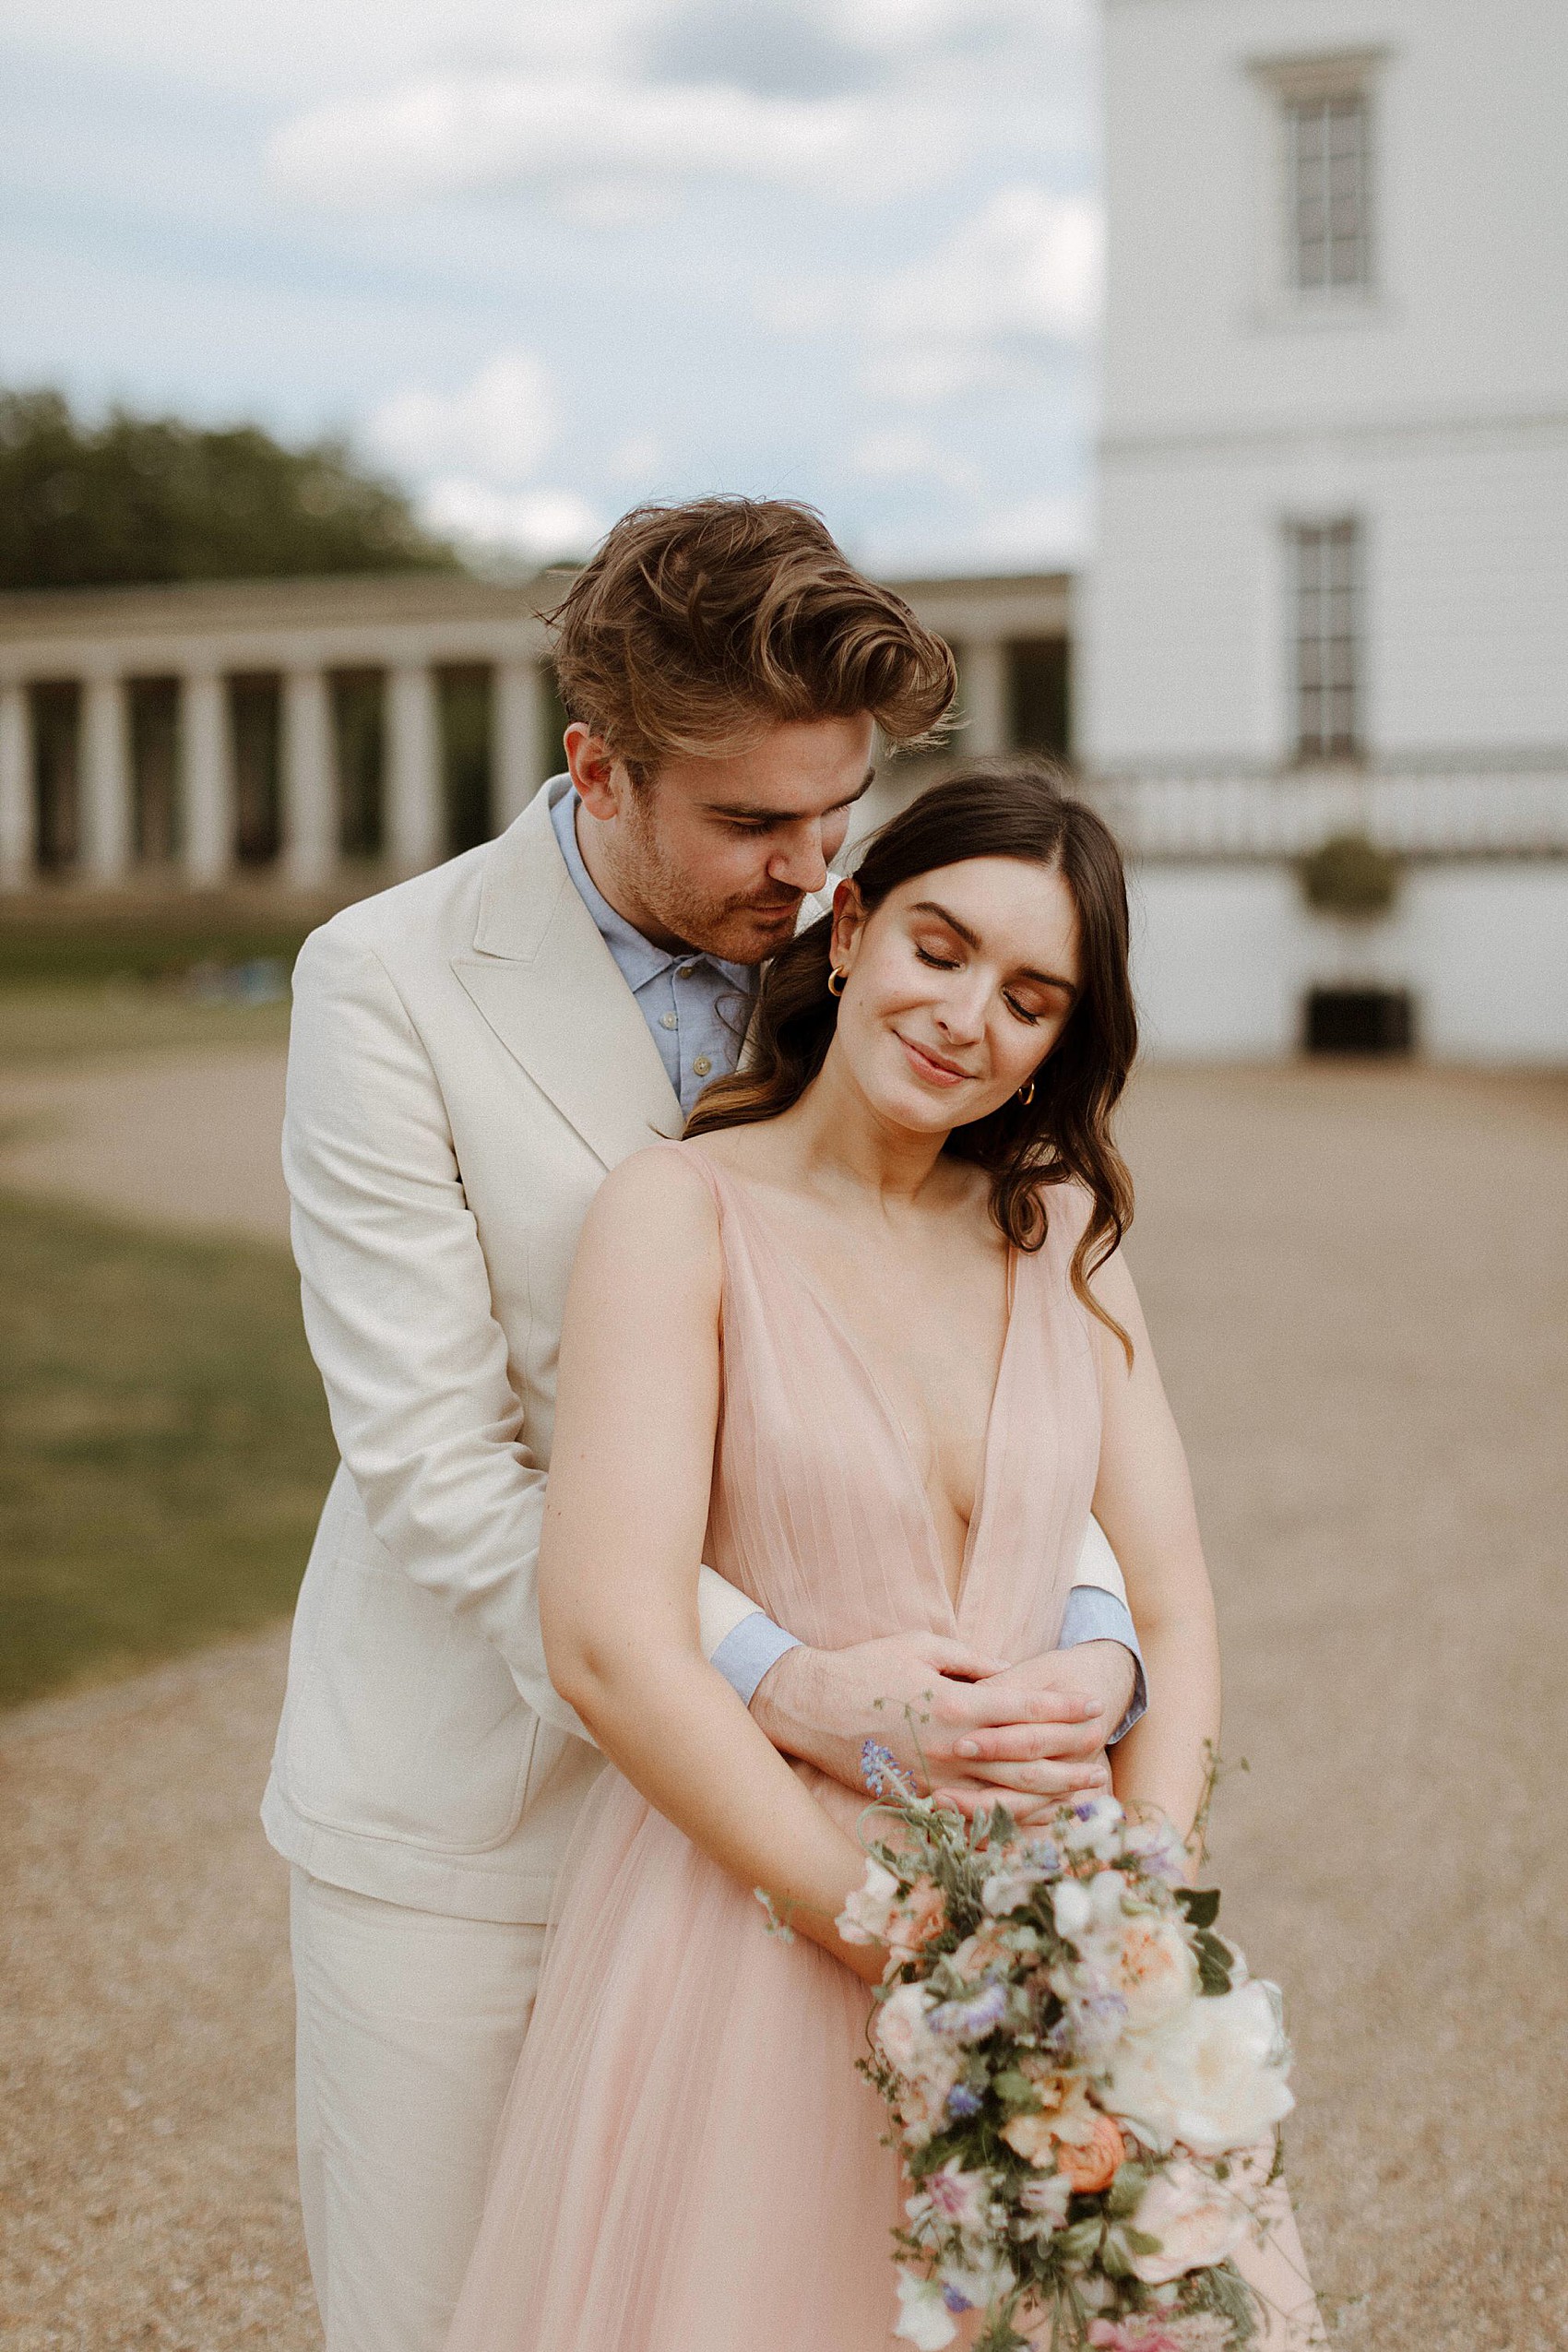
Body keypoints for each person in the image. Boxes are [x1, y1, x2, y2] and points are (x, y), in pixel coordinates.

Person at [263, 500, 1146, 2352]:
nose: (808, 869)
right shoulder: (385, 987)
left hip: (823, 1836)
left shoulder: (865, 958)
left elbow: (973, 1348)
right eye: (754, 823)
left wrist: (1095, 1638)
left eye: (838, 817)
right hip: (480, 1823)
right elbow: (438, 1464)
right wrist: (765, 1682)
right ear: (597, 766)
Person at [442, 762, 1325, 2350]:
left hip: (1058, 1929)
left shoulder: (1060, 1234)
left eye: (1032, 996)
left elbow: (1178, 1604)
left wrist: (1135, 1902)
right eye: (941, 946)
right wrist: (885, 1925)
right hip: (763, 1911)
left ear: (1064, 1039)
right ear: (847, 929)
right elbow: (608, 1636)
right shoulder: (678, 1213)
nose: (969, 1014)